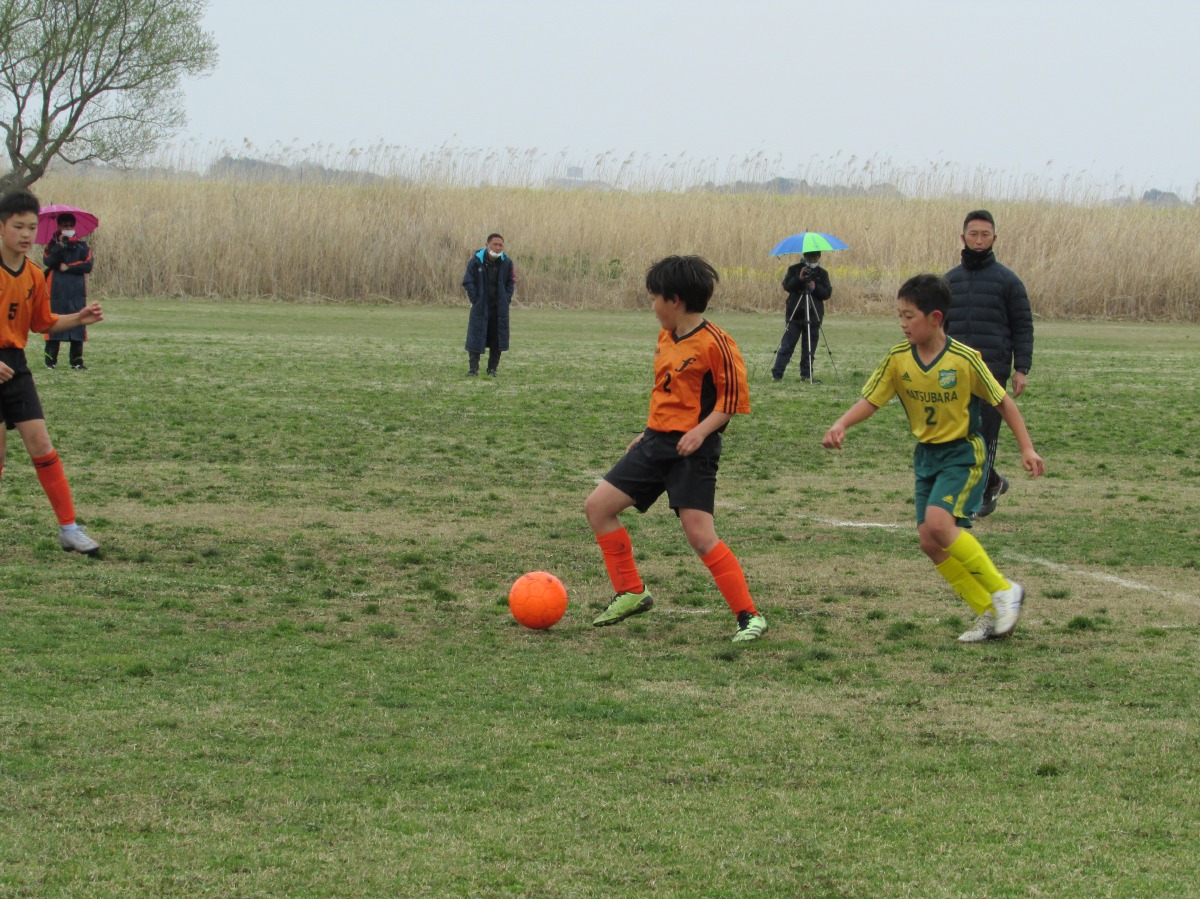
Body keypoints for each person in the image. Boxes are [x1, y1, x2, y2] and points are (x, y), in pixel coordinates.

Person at [821, 273, 1044, 643]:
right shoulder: (898, 359)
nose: (902, 323)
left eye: (910, 316)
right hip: (926, 456)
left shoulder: (964, 359)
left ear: (935, 318)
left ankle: (1005, 590)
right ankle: (988, 611)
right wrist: (841, 424)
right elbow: (872, 399)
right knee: (929, 541)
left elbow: (1003, 401)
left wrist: (1027, 447)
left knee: (940, 525)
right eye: (899, 315)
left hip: (962, 453)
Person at [584, 255, 767, 643]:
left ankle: (749, 616)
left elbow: (731, 403)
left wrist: (700, 433)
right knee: (598, 507)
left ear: (675, 300)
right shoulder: (666, 337)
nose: (652, 306)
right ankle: (631, 591)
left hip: (692, 450)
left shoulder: (717, 343)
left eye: (655, 298)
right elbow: (666, 393)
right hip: (655, 443)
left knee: (700, 536)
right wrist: (646, 431)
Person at [0, 190, 104, 555]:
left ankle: (69, 529)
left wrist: (79, 318)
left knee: (42, 445)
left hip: (15, 366)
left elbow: (42, 323)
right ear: (2, 227)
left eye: (31, 227)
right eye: (18, 226)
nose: (26, 234)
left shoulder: (33, 274)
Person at [944, 210, 1033, 518]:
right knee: (957, 434)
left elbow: (1023, 326)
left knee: (985, 433)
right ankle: (992, 480)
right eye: (974, 234)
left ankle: (981, 492)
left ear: (994, 238)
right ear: (963, 237)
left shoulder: (1009, 281)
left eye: (985, 234)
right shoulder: (949, 281)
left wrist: (1021, 368)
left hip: (992, 370)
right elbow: (937, 327)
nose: (979, 240)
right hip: (954, 371)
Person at [42, 211, 95, 370]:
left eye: (71, 226)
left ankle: (77, 362)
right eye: (65, 226)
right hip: (56, 289)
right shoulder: (52, 245)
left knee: (78, 322)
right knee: (54, 322)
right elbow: (48, 261)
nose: (68, 228)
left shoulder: (83, 246)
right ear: (59, 226)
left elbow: (88, 265)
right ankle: (50, 362)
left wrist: (69, 267)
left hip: (76, 290)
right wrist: (60, 247)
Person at [771, 250, 832, 383]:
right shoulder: (794, 269)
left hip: (814, 315)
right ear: (804, 256)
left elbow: (827, 293)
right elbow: (787, 286)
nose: (812, 259)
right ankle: (777, 374)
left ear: (819, 257)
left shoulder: (822, 273)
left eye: (814, 256)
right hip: (795, 314)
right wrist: (799, 278)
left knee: (809, 348)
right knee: (787, 346)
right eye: (809, 256)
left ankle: (806, 375)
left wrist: (814, 287)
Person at [462, 233, 516, 377]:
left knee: (497, 339)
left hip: (499, 308)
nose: (498, 248)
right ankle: (473, 369)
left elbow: (511, 282)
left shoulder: (507, 262)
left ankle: (492, 369)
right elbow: (468, 281)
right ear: (487, 245)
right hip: (480, 307)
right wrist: (475, 299)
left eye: (500, 245)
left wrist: (506, 298)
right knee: (475, 337)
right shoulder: (475, 261)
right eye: (495, 244)